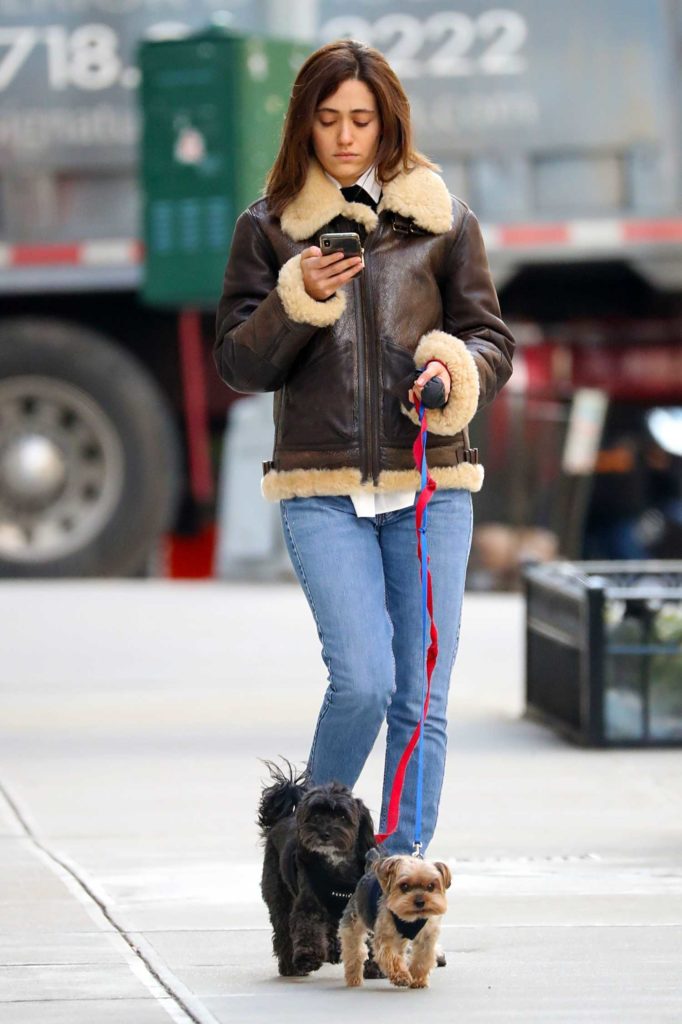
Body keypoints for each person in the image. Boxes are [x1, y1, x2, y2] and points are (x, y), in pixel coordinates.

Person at [214, 39, 515, 855]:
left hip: (430, 486)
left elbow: (490, 338)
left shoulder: (442, 220)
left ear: (388, 124)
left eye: (362, 119)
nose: (346, 136)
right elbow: (239, 363)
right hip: (321, 488)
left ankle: (395, 880)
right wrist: (294, 299)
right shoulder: (269, 228)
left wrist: (455, 370)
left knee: (422, 700)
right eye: (328, 120)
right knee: (363, 681)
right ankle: (306, 852)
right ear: (304, 127)